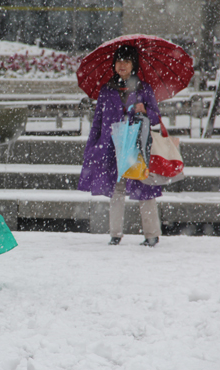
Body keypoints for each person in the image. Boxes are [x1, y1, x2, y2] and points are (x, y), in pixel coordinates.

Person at [78, 45, 162, 247]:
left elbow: (156, 118)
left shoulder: (144, 89)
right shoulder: (106, 91)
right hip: (112, 146)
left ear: (134, 65)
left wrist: (144, 111)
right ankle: (115, 234)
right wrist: (92, 146)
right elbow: (97, 121)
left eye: (126, 61)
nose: (121, 65)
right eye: (118, 61)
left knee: (145, 188)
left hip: (138, 146)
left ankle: (152, 234)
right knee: (116, 189)